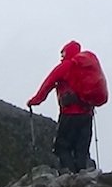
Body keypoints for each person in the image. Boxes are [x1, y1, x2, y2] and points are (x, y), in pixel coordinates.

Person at [27, 40, 95, 172]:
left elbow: (48, 84)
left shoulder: (66, 66)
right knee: (81, 149)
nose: (61, 56)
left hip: (70, 114)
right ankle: (83, 179)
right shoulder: (86, 68)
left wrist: (34, 101)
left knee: (62, 147)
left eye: (63, 53)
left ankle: (71, 177)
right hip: (87, 114)